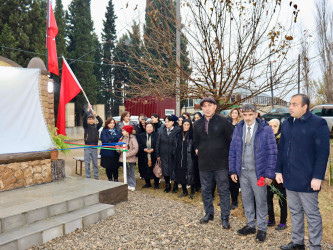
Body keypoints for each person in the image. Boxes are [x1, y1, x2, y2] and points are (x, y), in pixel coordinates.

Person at [276, 94, 330, 250]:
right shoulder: (287, 123)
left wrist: (318, 177)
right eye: (290, 104)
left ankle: (315, 246)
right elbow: (282, 149)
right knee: (295, 211)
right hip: (290, 177)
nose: (290, 107)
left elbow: (323, 152)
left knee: (312, 214)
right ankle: (297, 243)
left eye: (294, 104)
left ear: (305, 107)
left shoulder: (318, 123)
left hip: (308, 178)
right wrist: (279, 170)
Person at [229, 103, 277, 242]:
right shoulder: (238, 129)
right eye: (245, 115)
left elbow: (272, 152)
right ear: (242, 115)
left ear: (256, 114)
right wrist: (233, 169)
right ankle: (251, 225)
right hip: (243, 172)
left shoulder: (265, 129)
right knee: (246, 199)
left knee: (261, 200)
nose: (248, 117)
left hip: (259, 172)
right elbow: (232, 150)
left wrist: (269, 174)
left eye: (251, 114)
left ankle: (262, 228)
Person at [193, 97, 234, 229]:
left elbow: (231, 141)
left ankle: (225, 217)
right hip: (204, 163)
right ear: (202, 108)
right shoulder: (197, 124)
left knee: (223, 190)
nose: (207, 108)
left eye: (210, 105)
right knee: (205, 190)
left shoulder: (224, 121)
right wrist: (197, 149)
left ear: (215, 107)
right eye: (204, 106)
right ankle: (209, 213)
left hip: (221, 163)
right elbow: (196, 141)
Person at [267, 119, 287, 230]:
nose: (272, 128)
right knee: (268, 198)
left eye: (275, 126)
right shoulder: (266, 139)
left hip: (280, 175)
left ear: (278, 127)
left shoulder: (282, 140)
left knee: (281, 199)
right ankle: (271, 219)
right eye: (270, 126)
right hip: (268, 174)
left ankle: (283, 222)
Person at [156, 115, 181, 193]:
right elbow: (158, 143)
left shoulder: (178, 131)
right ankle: (168, 185)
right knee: (165, 171)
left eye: (168, 121)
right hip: (164, 155)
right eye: (165, 122)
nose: (166, 123)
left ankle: (175, 185)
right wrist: (157, 154)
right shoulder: (162, 131)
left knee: (175, 171)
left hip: (174, 155)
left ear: (173, 122)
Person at [174, 119, 199, 198]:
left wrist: (195, 154)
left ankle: (192, 192)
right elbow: (175, 145)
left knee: (191, 174)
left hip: (189, 157)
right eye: (185, 124)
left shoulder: (193, 134)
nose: (186, 126)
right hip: (180, 157)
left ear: (190, 125)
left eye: (188, 125)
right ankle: (184, 191)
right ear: (182, 125)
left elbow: (196, 145)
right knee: (181, 174)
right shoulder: (178, 134)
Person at [227, 108, 243, 210]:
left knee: (234, 180)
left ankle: (235, 201)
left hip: (236, 153)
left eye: (235, 113)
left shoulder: (240, 125)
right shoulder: (227, 124)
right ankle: (226, 200)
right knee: (227, 179)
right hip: (227, 153)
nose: (234, 114)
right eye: (232, 112)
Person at [137, 122, 160, 189]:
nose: (149, 128)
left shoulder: (157, 135)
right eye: (147, 127)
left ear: (153, 128)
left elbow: (159, 144)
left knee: (155, 169)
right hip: (144, 155)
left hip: (154, 155)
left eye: (150, 127)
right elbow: (139, 145)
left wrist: (153, 149)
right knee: (145, 169)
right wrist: (144, 149)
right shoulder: (141, 135)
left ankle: (156, 184)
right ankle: (147, 183)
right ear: (145, 128)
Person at [83, 105, 103, 180]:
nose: (91, 120)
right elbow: (84, 118)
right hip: (87, 147)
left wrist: (96, 115)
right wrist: (88, 111)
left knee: (95, 163)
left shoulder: (96, 126)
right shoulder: (86, 126)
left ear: (94, 120)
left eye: (92, 119)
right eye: (89, 119)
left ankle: (96, 177)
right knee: (87, 163)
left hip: (95, 147)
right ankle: (88, 177)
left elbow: (101, 122)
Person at [119, 125, 139, 191]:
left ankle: (132, 184)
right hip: (124, 159)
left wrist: (127, 154)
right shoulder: (121, 138)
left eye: (123, 131)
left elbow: (135, 149)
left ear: (127, 131)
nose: (122, 132)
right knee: (126, 172)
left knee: (131, 172)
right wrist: (119, 150)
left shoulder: (133, 138)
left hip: (130, 159)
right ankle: (127, 183)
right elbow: (118, 146)